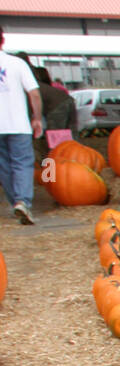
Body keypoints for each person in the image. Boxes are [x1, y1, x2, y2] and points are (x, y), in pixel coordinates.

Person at [0, 26, 42, 224]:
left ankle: (15, 202)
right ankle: (22, 201)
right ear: (2, 40)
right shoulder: (17, 64)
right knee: (22, 164)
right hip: (18, 124)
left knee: (4, 166)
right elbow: (33, 93)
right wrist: (37, 118)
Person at [32, 66, 73, 161]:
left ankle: (57, 160)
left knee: (55, 137)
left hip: (56, 106)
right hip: (65, 101)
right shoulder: (38, 85)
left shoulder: (30, 86)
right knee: (69, 133)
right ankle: (67, 157)